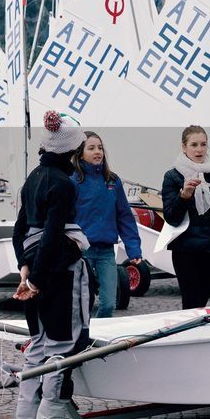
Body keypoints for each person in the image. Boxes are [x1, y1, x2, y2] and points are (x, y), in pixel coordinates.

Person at [10, 111, 92, 419]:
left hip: (35, 266)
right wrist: (39, 279)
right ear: (72, 152)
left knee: (38, 347)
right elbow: (54, 233)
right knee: (63, 346)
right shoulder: (63, 185)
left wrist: (25, 270)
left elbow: (19, 230)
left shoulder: (32, 179)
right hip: (60, 271)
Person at [159, 126, 210, 309]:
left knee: (203, 302)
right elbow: (171, 217)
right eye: (194, 145)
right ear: (184, 147)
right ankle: (186, 336)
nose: (199, 149)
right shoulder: (173, 176)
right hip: (185, 249)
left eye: (203, 144)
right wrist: (184, 196)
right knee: (191, 303)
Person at [72, 131, 143, 319]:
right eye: (91, 148)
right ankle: (82, 340)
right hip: (81, 252)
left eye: (100, 148)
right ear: (80, 153)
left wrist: (134, 249)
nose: (98, 152)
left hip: (105, 252)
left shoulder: (112, 181)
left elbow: (125, 217)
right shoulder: (73, 181)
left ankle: (98, 341)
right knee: (81, 303)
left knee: (109, 304)